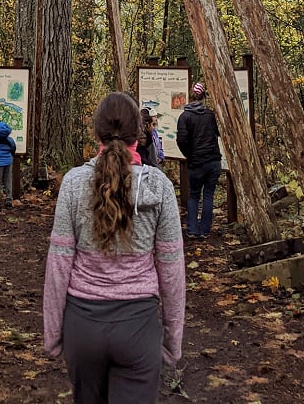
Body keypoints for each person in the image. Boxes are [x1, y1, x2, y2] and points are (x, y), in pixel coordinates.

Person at [43, 92, 185, 403]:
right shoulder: (158, 187)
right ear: (141, 133)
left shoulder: (73, 183)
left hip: (83, 327)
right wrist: (173, 340)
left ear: (96, 133)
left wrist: (53, 334)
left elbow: (59, 263)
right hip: (138, 328)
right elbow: (172, 268)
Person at [176, 82, 222, 239]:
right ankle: (204, 230)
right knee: (208, 195)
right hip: (213, 160)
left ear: (190, 97)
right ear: (203, 97)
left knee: (194, 195)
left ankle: (192, 229)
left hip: (197, 163)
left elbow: (181, 140)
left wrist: (190, 155)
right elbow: (217, 133)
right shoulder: (210, 115)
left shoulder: (185, 117)